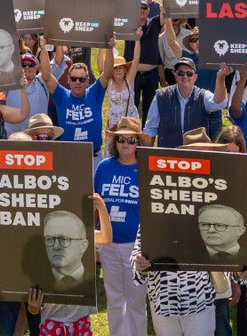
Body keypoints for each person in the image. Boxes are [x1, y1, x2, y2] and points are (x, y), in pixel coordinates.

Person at [25, 197, 113, 336]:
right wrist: (33, 308)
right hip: (50, 323)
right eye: (51, 239)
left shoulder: (84, 238)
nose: (57, 246)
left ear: (82, 245)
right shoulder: (40, 263)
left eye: (65, 239)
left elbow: (106, 237)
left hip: (80, 323)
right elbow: (34, 309)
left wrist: (101, 208)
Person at [94, 117, 148, 336]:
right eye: (121, 139)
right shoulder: (104, 167)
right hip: (108, 245)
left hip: (135, 247)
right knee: (115, 299)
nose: (126, 143)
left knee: (136, 302)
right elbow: (94, 203)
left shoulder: (145, 169)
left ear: (138, 143)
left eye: (131, 139)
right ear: (114, 142)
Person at [131, 224, 235, 336]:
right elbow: (138, 250)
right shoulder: (154, 211)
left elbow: (225, 251)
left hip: (199, 301)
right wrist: (140, 265)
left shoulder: (208, 211)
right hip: (163, 299)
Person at [40, 39, 115, 157]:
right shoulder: (62, 95)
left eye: (82, 79)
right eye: (74, 79)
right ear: (68, 80)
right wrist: (43, 48)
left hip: (93, 155)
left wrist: (110, 48)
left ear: (88, 80)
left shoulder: (95, 93)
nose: (78, 82)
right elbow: (46, 76)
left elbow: (108, 73)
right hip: (68, 155)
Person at [144, 55, 228, 149]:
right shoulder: (161, 96)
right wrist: (147, 157)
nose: (185, 76)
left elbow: (220, 103)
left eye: (189, 73)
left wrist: (220, 78)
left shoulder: (203, 95)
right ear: (175, 75)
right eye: (180, 73)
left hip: (196, 156)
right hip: (168, 156)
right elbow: (150, 130)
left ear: (195, 76)